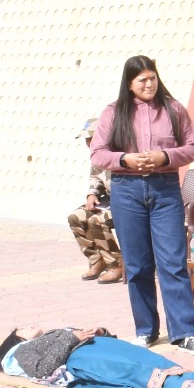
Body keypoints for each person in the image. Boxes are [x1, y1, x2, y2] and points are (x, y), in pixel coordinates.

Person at [89, 55, 194, 356]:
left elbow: (192, 147)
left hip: (164, 190)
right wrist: (125, 159)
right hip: (126, 192)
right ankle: (146, 330)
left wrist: (164, 157)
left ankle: (184, 334)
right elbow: (98, 154)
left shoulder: (173, 109)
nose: (149, 84)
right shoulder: (113, 113)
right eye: (141, 79)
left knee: (173, 262)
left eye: (152, 77)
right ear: (129, 83)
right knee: (137, 265)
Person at [0, 326, 194, 388]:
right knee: (137, 372)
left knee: (155, 361)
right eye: (23, 329)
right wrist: (72, 337)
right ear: (17, 340)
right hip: (82, 358)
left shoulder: (51, 333)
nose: (30, 326)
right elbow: (42, 369)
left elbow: (74, 338)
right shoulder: (21, 353)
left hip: (99, 346)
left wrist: (100, 332)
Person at [68, 118, 123, 283]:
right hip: (109, 201)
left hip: (126, 203)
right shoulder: (97, 156)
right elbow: (96, 178)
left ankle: (116, 264)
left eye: (91, 138)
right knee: (75, 217)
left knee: (97, 221)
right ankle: (97, 260)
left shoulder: (120, 153)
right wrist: (91, 195)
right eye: (86, 139)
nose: (88, 142)